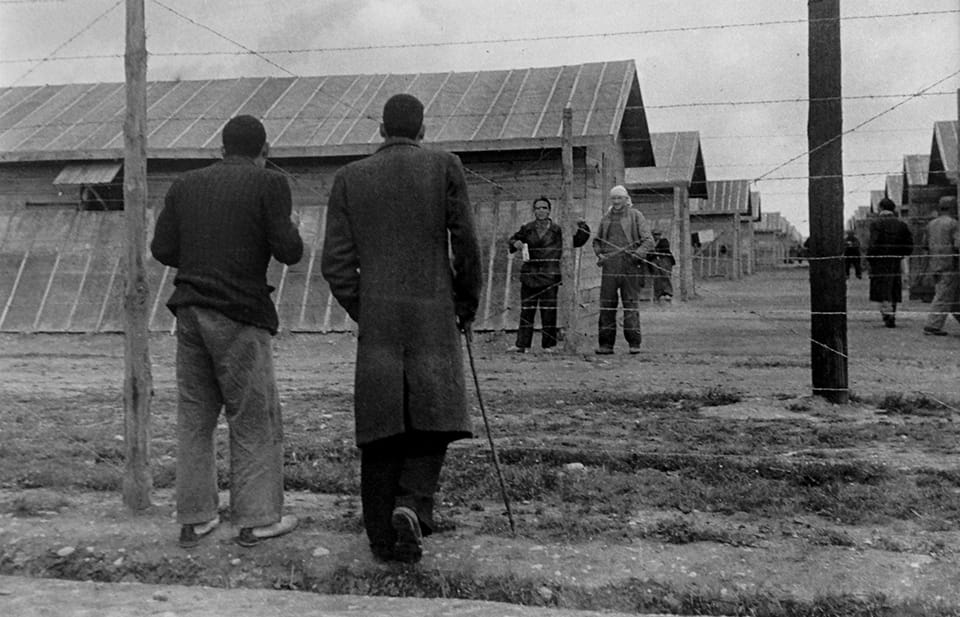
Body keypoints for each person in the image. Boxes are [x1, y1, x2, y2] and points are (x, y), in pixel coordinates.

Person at [320, 94, 482, 564]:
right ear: (423, 129)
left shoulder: (349, 178)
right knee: (434, 417)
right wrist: (465, 303)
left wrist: (364, 307)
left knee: (381, 421)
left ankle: (379, 536)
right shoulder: (444, 166)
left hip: (380, 319)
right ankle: (411, 504)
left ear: (381, 130)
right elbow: (465, 243)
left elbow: (335, 263)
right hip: (433, 312)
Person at [151, 115, 304, 549]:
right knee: (253, 417)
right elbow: (289, 251)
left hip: (190, 311)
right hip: (240, 312)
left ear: (221, 148)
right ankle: (256, 520)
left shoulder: (185, 184)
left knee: (195, 418)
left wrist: (203, 259)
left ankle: (196, 518)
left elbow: (162, 248)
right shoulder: (269, 184)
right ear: (265, 150)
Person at [506, 197, 590, 352]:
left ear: (549, 210)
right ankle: (522, 345)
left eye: (544, 208)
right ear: (534, 210)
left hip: (550, 275)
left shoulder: (558, 230)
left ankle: (549, 346)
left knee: (549, 311)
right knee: (527, 311)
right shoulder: (527, 228)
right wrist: (514, 243)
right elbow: (512, 239)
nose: (541, 211)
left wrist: (582, 225)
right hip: (530, 275)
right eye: (538, 208)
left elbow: (577, 241)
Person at [592, 185, 655, 354]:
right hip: (610, 268)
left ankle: (634, 344)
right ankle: (605, 345)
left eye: (620, 198)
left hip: (630, 266)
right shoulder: (606, 218)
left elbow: (648, 241)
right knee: (607, 306)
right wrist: (600, 254)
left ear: (626, 199)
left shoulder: (636, 216)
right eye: (614, 198)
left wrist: (637, 254)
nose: (617, 201)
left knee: (630, 304)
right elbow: (596, 241)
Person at [866, 197, 913, 328]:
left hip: (880, 261)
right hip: (895, 260)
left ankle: (887, 313)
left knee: (881, 287)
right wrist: (901, 255)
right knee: (893, 287)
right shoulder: (902, 225)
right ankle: (892, 313)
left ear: (880, 208)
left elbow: (873, 243)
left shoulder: (876, 224)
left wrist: (870, 258)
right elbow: (909, 245)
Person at [922, 196, 959, 335]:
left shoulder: (931, 224)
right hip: (950, 265)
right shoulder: (953, 224)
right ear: (952, 207)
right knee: (943, 296)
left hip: (935, 264)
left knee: (951, 296)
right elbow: (957, 245)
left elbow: (925, 245)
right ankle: (932, 325)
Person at [648, 230, 676, 302]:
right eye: (655, 235)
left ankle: (668, 293)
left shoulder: (664, 241)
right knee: (657, 277)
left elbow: (664, 248)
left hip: (665, 260)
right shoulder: (650, 242)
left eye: (658, 234)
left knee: (665, 275)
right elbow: (649, 252)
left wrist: (655, 251)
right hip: (654, 261)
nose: (657, 236)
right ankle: (658, 294)